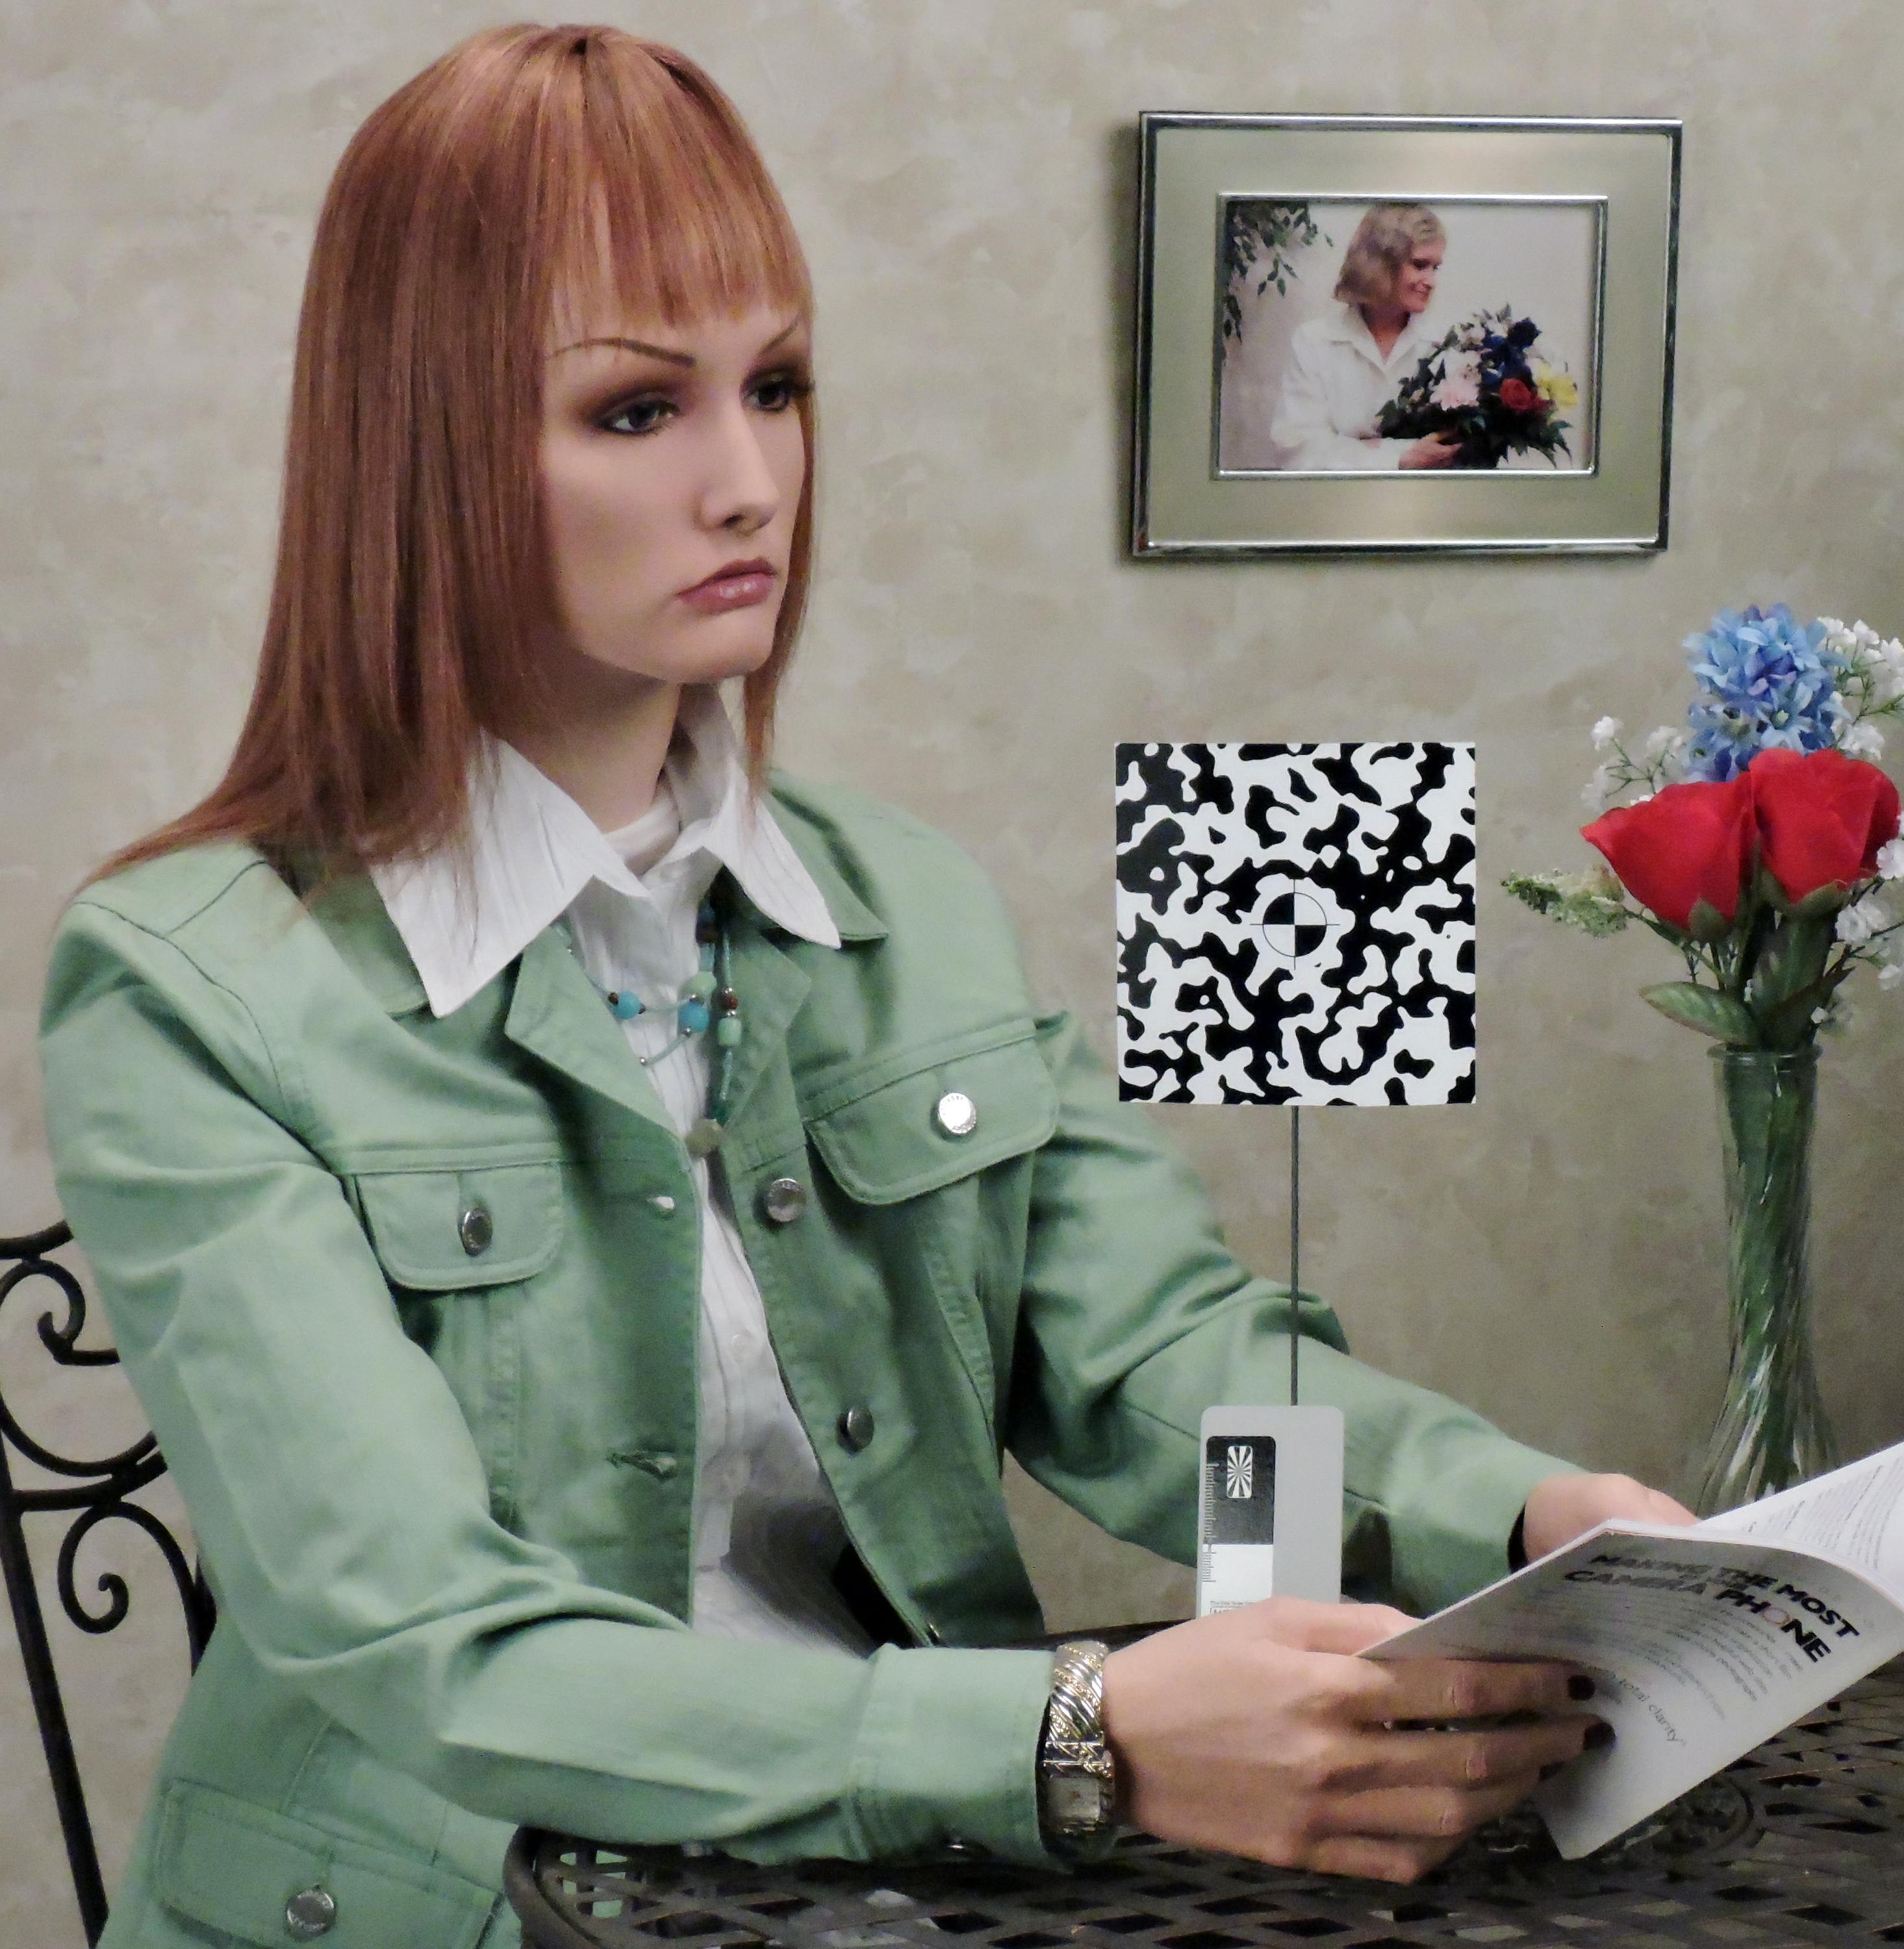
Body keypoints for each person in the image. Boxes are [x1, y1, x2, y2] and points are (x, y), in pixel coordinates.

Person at [37, 29, 1693, 1947]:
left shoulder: (898, 901)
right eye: (637, 410)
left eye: (777, 387)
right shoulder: (184, 992)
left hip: (895, 1879)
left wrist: (1513, 1509)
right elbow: (425, 1635)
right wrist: (1078, 1739)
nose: (750, 483)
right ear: (424, 448)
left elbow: (1157, 1362)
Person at [1268, 203, 1464, 471]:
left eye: (1435, 267)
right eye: (1420, 265)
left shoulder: (1445, 345)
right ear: (1381, 264)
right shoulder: (1315, 342)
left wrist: (1354, 449)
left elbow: (1456, 447)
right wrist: (1401, 456)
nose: (1431, 281)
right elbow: (1297, 451)